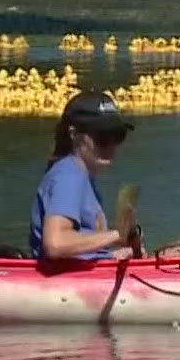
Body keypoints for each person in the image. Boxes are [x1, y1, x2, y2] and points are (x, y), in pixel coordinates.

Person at [30, 90, 139, 261]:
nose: (111, 145)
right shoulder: (68, 175)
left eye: (118, 136)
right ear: (74, 135)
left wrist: (111, 254)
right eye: (102, 137)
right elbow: (56, 243)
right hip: (60, 279)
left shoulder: (82, 175)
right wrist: (118, 234)